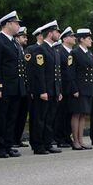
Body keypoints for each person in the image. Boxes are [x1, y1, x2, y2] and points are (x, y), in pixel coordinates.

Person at [0, 11, 26, 158]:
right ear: (8, 24)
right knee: (0, 118)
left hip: (15, 87)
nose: (18, 26)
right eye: (16, 23)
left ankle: (8, 144)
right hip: (3, 87)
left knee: (11, 117)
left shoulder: (13, 42)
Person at [27, 21, 63, 154]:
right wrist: (42, 91)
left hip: (53, 91)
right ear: (50, 33)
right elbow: (38, 73)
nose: (58, 34)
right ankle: (38, 144)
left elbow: (57, 73)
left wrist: (58, 90)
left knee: (49, 119)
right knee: (39, 119)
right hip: (43, 91)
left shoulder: (54, 50)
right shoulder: (40, 50)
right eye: (57, 32)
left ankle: (47, 142)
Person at [69, 28, 93, 150]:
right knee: (76, 114)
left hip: (87, 88)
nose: (91, 41)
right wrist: (74, 89)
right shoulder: (74, 53)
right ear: (82, 39)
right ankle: (75, 141)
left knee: (83, 114)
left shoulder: (89, 53)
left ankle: (81, 139)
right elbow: (71, 73)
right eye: (89, 39)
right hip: (79, 88)